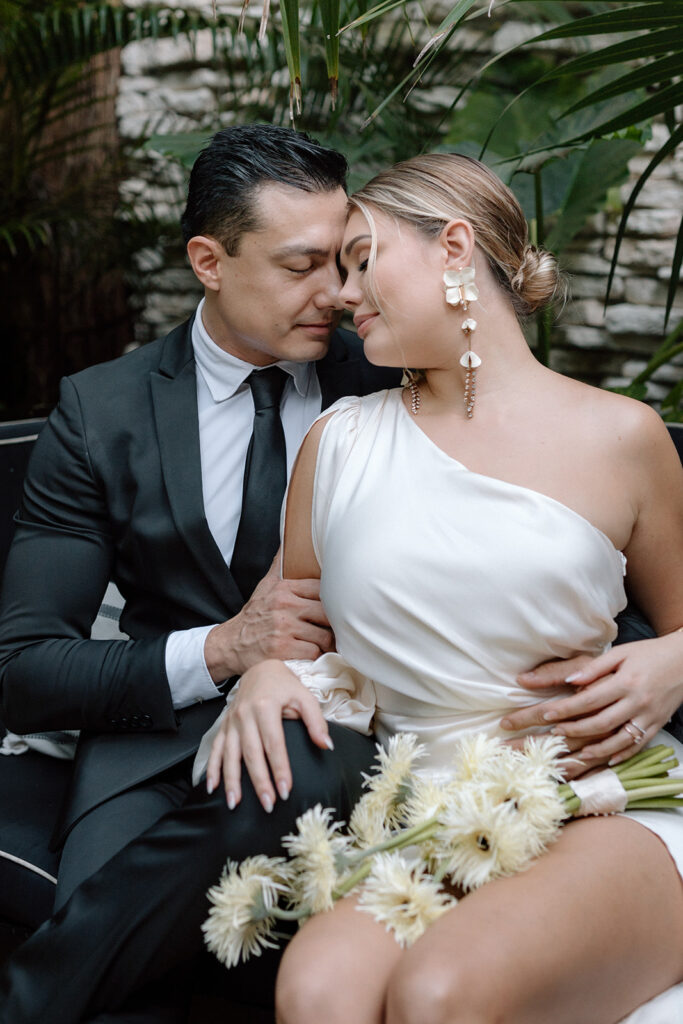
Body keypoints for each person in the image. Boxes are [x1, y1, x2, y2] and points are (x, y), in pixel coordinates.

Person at [197, 153, 683, 1024]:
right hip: (422, 814)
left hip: (602, 804)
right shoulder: (337, 444)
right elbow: (296, 628)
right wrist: (267, 672)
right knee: (317, 993)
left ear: (452, 247)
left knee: (438, 995)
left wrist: (675, 660)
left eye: (359, 258)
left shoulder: (624, 437)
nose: (341, 294)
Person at [0, 124, 399, 1021]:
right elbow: (23, 674)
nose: (336, 293)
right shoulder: (100, 412)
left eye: (345, 262)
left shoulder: (388, 383)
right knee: (134, 977)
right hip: (149, 755)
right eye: (301, 266)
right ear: (208, 261)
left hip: (337, 740)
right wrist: (224, 651)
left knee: (284, 797)